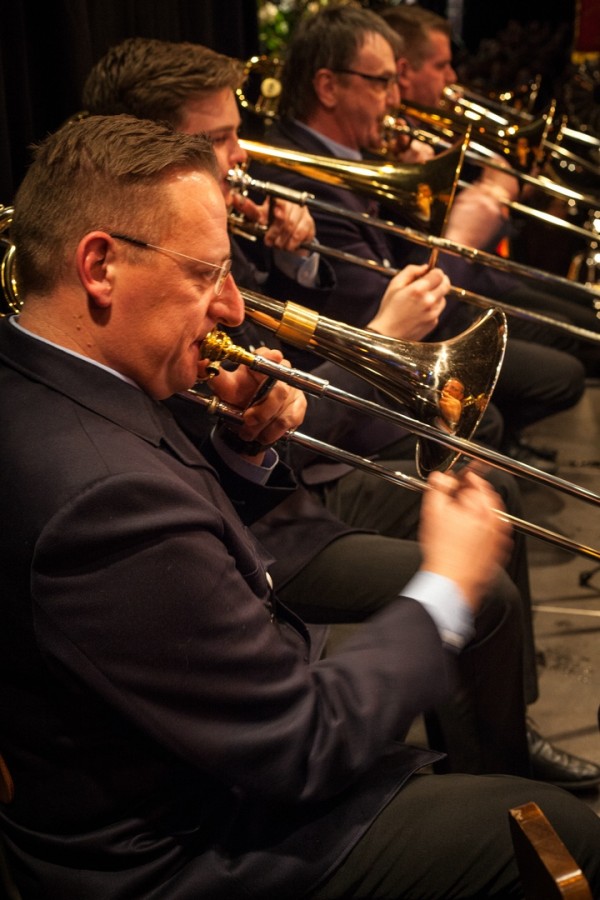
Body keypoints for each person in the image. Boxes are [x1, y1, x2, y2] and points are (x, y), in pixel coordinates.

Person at [1, 111, 600, 900]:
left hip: (199, 767)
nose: (232, 309)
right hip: (190, 854)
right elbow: (302, 743)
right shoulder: (102, 501)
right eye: (206, 275)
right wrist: (446, 587)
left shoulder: (43, 382)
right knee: (567, 834)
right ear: (101, 266)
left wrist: (240, 447)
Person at [78, 36, 600, 790]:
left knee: (495, 492)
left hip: (275, 474)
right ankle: (495, 783)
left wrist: (297, 262)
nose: (241, 157)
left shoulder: (221, 222)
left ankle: (502, 739)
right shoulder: (152, 267)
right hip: (264, 515)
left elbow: (269, 365)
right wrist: (382, 330)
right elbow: (234, 418)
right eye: (218, 139)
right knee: (483, 585)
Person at [259, 1, 589, 475]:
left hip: (424, 323)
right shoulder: (297, 177)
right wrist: (460, 234)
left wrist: (428, 201)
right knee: (524, 396)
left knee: (566, 339)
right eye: (382, 82)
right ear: (328, 87)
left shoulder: (356, 151)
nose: (395, 99)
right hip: (357, 373)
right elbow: (380, 305)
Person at [379, 4, 600, 376]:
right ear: (405, 71)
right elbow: (435, 238)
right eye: (441, 65)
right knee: (577, 346)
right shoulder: (395, 143)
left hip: (482, 275)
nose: (453, 77)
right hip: (455, 293)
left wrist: (512, 187)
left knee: (587, 314)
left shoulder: (426, 134)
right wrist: (488, 192)